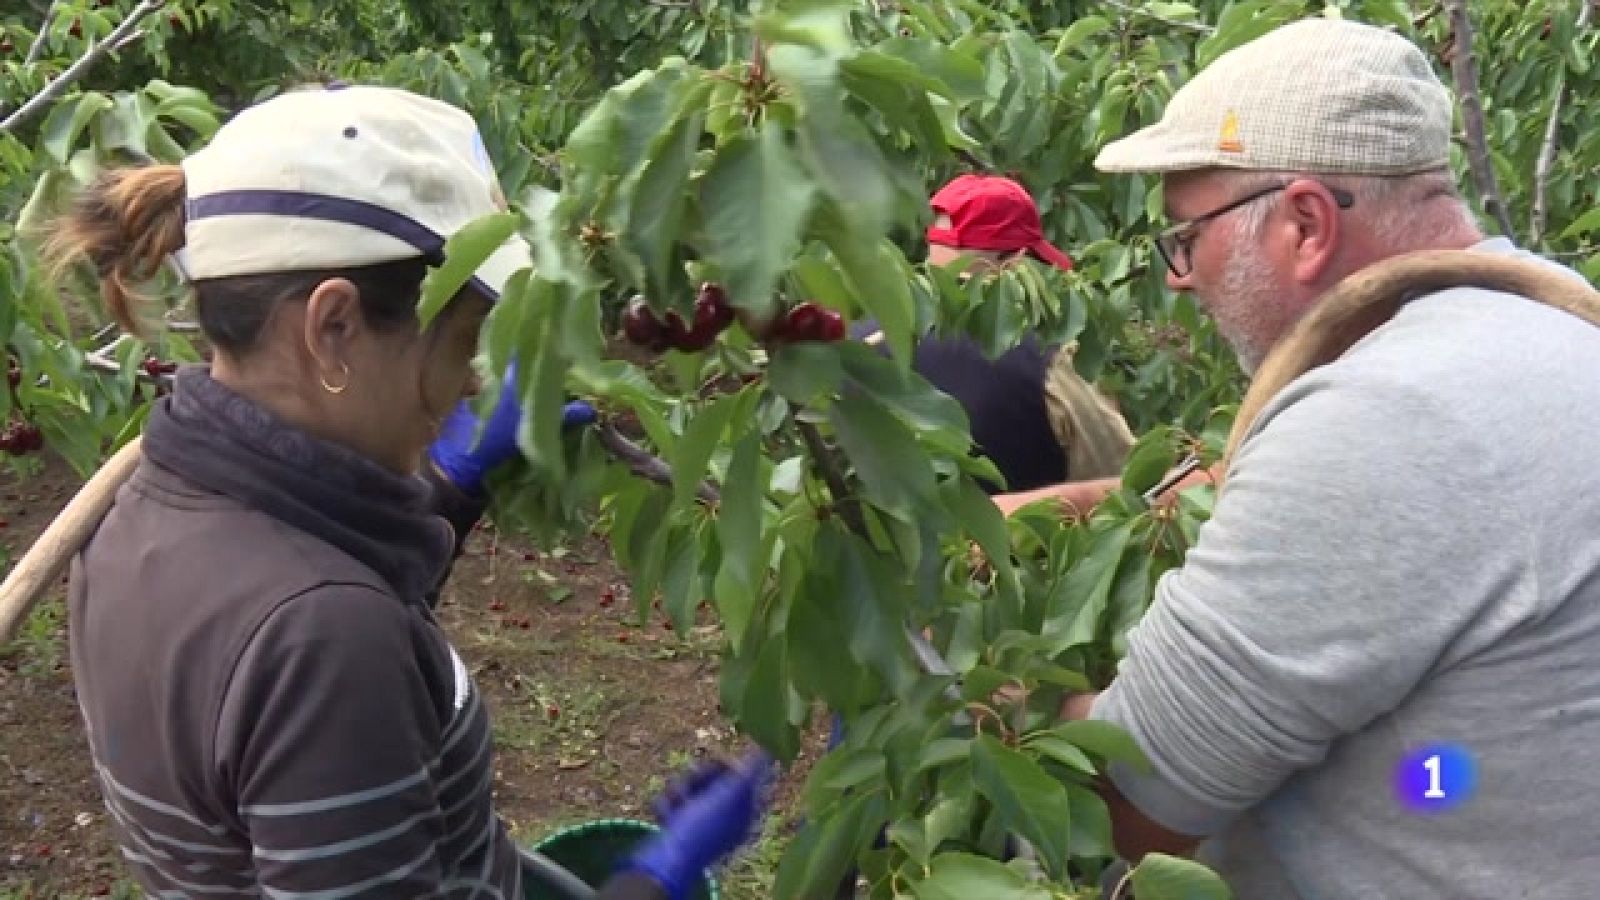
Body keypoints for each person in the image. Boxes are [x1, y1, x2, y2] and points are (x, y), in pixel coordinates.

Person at [45, 83, 769, 900]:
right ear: (334, 329)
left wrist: (446, 495)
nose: (469, 385)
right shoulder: (325, 640)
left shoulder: (141, 516)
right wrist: (653, 882)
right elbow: (312, 638)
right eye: (460, 342)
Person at [1048, 18, 1600, 898]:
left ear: (1304, 223)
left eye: (1186, 239)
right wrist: (1079, 507)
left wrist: (976, 689)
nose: (1180, 279)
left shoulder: (1390, 417)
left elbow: (1139, 794)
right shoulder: (1546, 325)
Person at [856, 172, 1136, 495]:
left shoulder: (855, 344)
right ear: (1016, 261)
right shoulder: (1046, 362)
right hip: (1017, 543)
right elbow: (1125, 483)